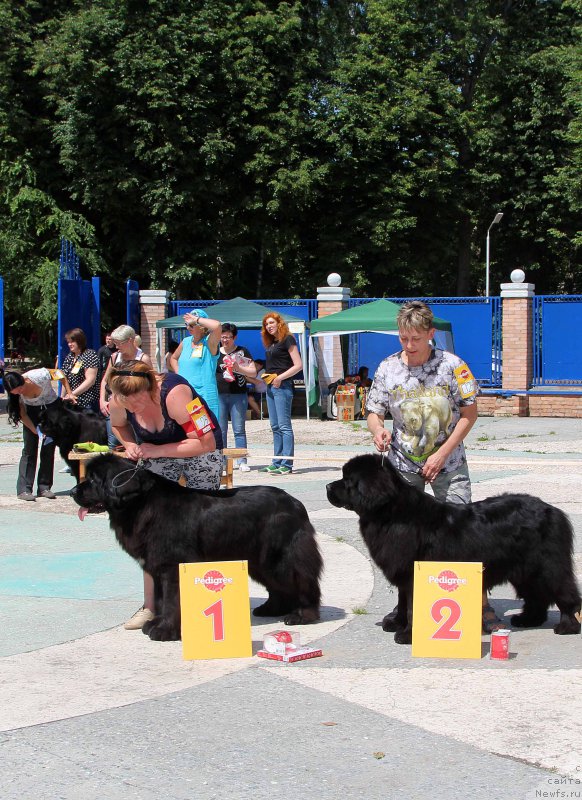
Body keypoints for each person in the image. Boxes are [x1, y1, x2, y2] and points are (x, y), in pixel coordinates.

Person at [365, 300, 501, 632]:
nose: (408, 346)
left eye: (415, 338)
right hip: (402, 464)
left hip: (448, 462)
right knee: (403, 538)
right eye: (403, 338)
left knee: (463, 534)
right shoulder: (387, 368)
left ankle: (477, 605)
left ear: (431, 334)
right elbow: (373, 411)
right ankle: (406, 609)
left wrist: (441, 455)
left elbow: (470, 415)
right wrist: (377, 430)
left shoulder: (454, 367)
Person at [108, 360, 223, 630]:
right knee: (149, 530)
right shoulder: (119, 400)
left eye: (137, 402)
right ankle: (151, 605)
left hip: (198, 451)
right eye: (126, 404)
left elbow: (206, 442)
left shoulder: (176, 394)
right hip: (155, 451)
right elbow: (119, 426)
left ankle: (203, 597)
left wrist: (156, 450)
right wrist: (130, 445)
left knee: (200, 525)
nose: (132, 409)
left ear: (149, 388)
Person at [3, 368, 69, 501]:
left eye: (20, 389)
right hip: (31, 413)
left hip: (51, 408)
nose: (19, 393)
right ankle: (24, 489)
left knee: (48, 448)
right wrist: (36, 431)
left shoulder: (38, 375)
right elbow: (23, 415)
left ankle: (44, 487)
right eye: (15, 392)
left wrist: (70, 392)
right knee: (29, 449)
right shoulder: (16, 395)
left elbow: (61, 374)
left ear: (24, 381)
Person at [259, 312, 303, 475]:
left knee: (284, 426)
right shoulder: (271, 343)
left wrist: (280, 377)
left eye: (271, 323)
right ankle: (276, 461)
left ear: (279, 323)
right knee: (275, 426)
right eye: (266, 324)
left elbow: (298, 365)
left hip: (283, 385)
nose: (269, 326)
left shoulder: (288, 339)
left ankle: (287, 463)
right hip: (271, 385)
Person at [99, 325, 152, 447]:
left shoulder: (143, 359)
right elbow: (105, 381)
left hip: (137, 409)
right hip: (116, 406)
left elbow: (152, 385)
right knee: (114, 445)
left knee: (139, 444)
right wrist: (102, 400)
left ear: (130, 340)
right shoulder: (115, 357)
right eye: (115, 343)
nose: (116, 347)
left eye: (119, 343)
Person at [216, 323, 256, 472]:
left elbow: (252, 372)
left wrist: (238, 368)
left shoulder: (242, 352)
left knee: (239, 429)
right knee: (221, 429)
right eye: (223, 337)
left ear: (235, 337)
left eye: (228, 337)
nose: (225, 340)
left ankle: (242, 460)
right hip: (219, 394)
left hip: (238, 395)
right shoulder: (215, 352)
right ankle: (223, 460)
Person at [169, 309, 221, 418]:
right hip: (185, 394)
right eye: (186, 324)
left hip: (202, 395)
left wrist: (197, 319)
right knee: (187, 431)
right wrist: (179, 374)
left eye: (192, 325)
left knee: (204, 431)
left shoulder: (209, 342)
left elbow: (217, 326)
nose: (188, 327)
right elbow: (173, 358)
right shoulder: (186, 341)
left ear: (202, 326)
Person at [61, 328, 100, 412]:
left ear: (79, 341)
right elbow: (64, 378)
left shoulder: (89, 354)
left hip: (86, 402)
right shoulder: (70, 356)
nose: (69, 344)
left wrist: (72, 394)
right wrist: (63, 397)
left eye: (72, 342)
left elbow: (90, 380)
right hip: (71, 402)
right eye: (68, 342)